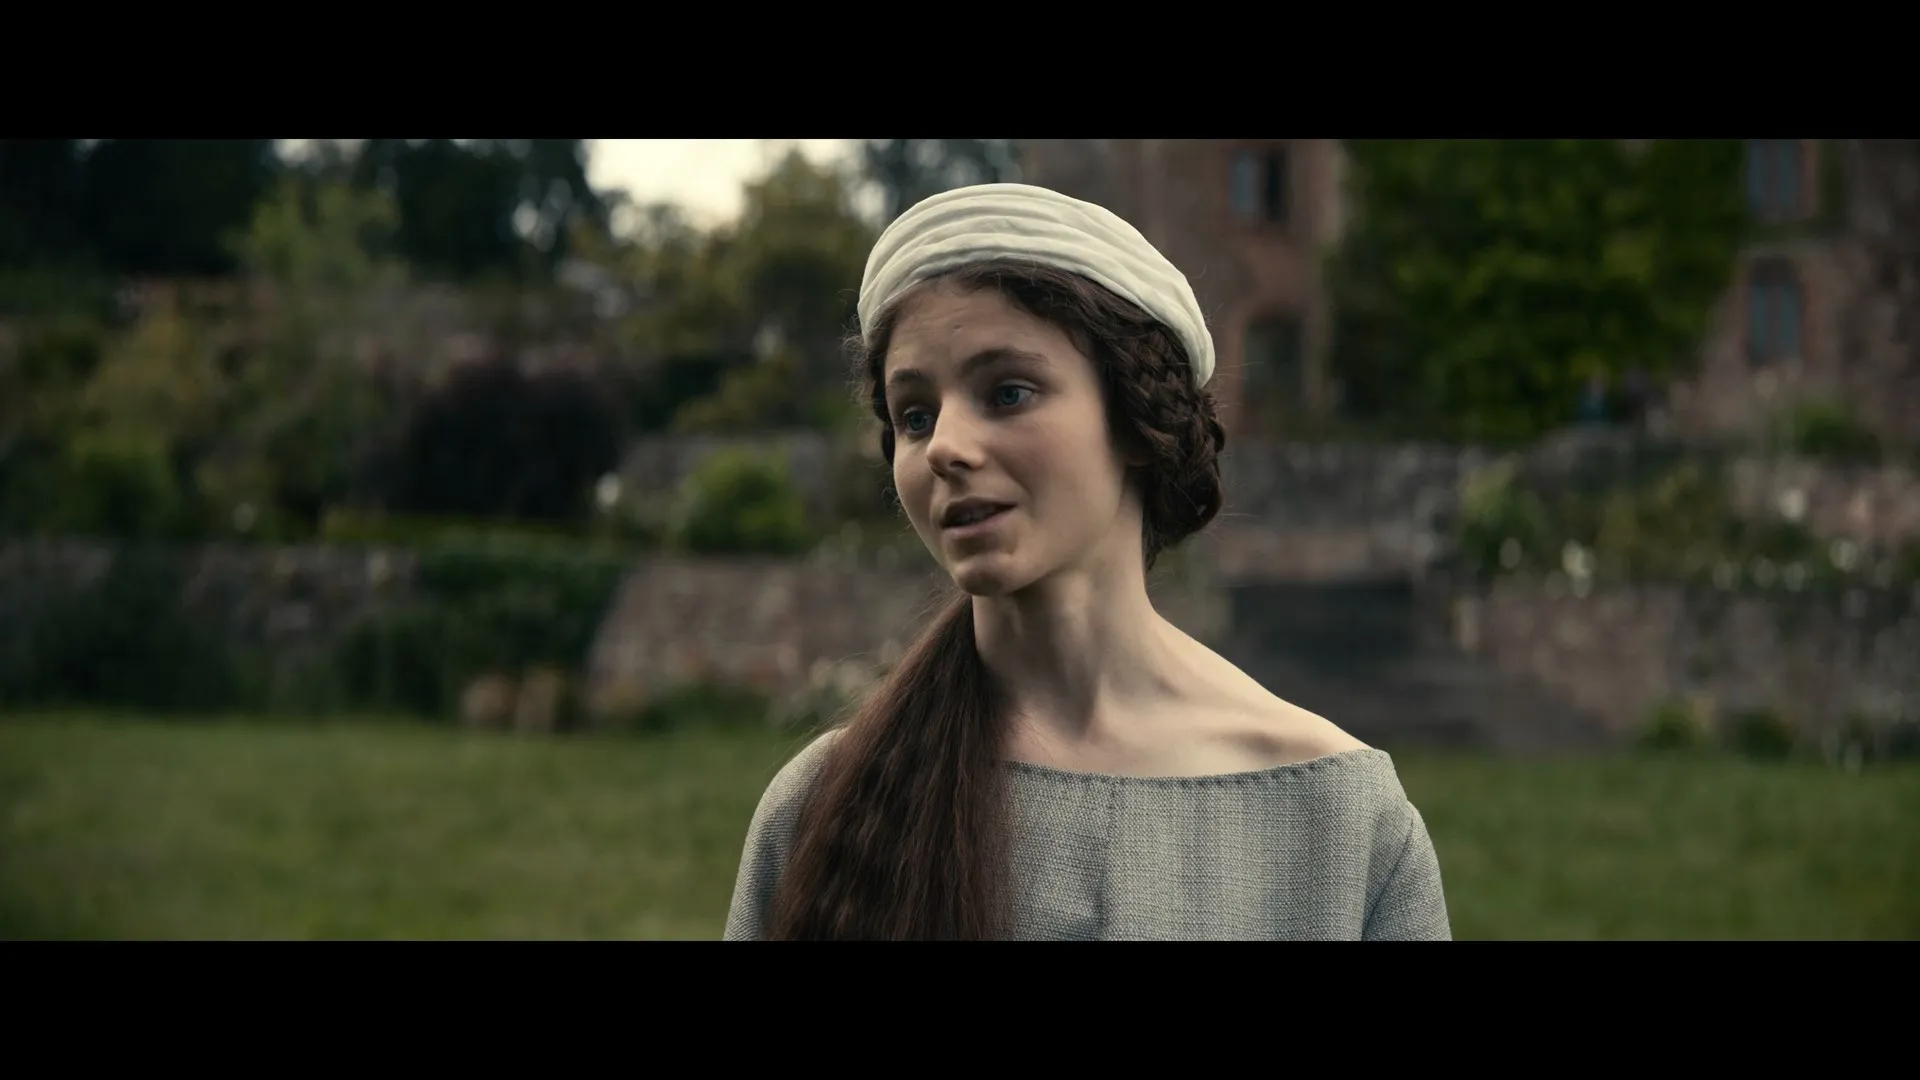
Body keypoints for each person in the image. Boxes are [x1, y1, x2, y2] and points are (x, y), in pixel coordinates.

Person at [724, 183, 1451, 940]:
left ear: (1135, 418)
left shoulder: (1340, 822)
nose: (944, 446)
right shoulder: (821, 811)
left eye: (1007, 393)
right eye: (916, 415)